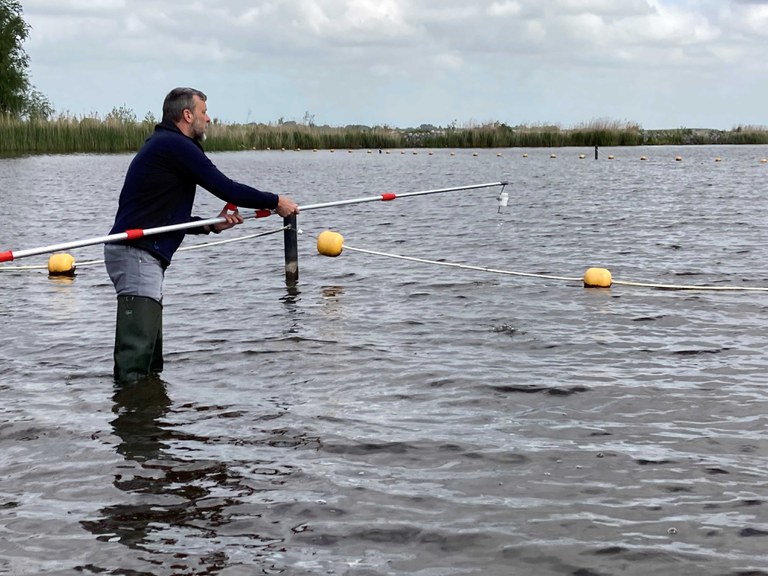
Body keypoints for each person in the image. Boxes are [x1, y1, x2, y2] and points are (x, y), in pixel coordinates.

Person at [104, 87, 299, 383]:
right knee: (136, 356)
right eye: (204, 112)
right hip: (136, 252)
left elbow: (167, 217)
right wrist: (275, 201)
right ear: (187, 115)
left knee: (151, 357)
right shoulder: (174, 145)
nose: (208, 118)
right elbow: (227, 188)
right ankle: (132, 421)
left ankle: (150, 418)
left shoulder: (168, 146)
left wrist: (210, 224)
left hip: (144, 252)